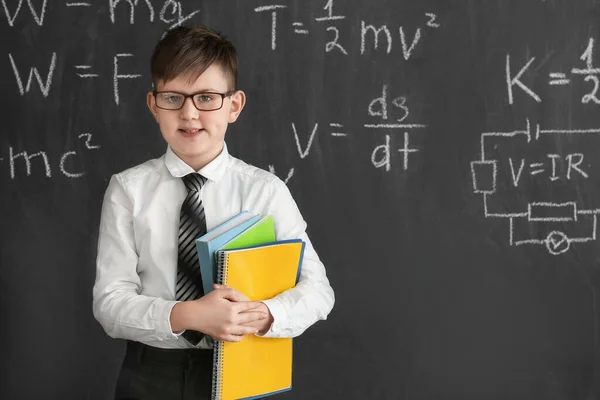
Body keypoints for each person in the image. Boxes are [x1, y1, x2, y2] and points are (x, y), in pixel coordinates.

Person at [92, 24, 335, 400]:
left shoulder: (265, 192)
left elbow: (318, 291)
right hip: (151, 373)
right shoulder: (128, 189)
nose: (189, 114)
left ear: (233, 106)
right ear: (154, 105)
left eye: (206, 97)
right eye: (173, 97)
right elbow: (109, 303)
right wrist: (189, 315)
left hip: (244, 365)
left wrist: (266, 313)